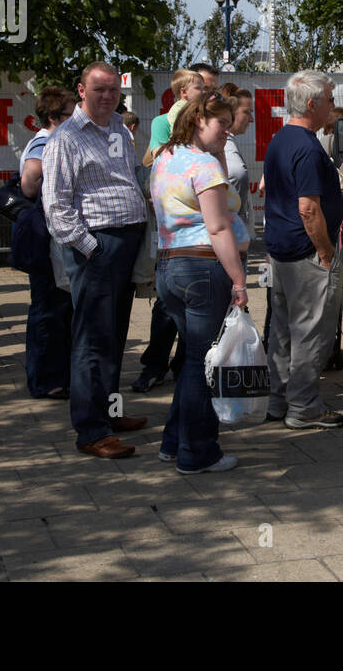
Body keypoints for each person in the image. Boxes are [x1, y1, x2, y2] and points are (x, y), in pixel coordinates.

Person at [42, 61, 151, 459]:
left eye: (112, 90)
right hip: (97, 249)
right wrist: (91, 248)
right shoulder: (66, 138)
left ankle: (108, 412)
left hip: (124, 244)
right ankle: (90, 431)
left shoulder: (119, 129)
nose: (107, 97)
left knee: (113, 335)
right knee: (91, 341)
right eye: (99, 89)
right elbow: (55, 207)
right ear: (81, 90)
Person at [150, 89, 248, 473]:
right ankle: (198, 451)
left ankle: (174, 442)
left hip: (170, 267)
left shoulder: (165, 160)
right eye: (221, 123)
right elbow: (219, 226)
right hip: (204, 269)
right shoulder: (203, 167)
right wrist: (238, 280)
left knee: (193, 359)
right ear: (197, 121)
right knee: (203, 363)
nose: (227, 130)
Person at [263, 70, 343, 429]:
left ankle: (278, 400)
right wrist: (326, 252)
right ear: (311, 103)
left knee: (282, 331)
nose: (333, 105)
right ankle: (304, 406)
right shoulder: (308, 147)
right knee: (311, 332)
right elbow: (308, 208)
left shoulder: (281, 139)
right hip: (304, 252)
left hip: (281, 249)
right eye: (329, 98)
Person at [130, 68, 204, 392]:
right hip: (172, 228)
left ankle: (185, 365)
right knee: (167, 301)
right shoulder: (164, 122)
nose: (205, 91)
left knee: (198, 303)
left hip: (201, 226)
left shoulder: (208, 123)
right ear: (184, 91)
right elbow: (157, 162)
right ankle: (154, 364)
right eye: (199, 86)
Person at [19, 86, 77, 398]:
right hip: (46, 237)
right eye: (70, 114)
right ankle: (45, 379)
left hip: (53, 237)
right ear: (55, 117)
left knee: (57, 308)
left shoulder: (55, 139)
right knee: (47, 309)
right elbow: (29, 183)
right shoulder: (45, 142)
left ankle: (56, 374)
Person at [219, 83, 254, 232]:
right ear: (231, 113)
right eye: (247, 112)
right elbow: (237, 173)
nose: (251, 119)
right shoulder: (224, 143)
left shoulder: (227, 142)